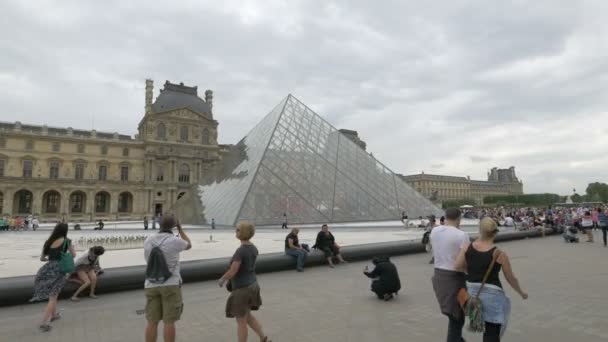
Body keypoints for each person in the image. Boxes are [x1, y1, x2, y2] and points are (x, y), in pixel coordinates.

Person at [454, 217, 528, 341]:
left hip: (473, 294)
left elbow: (457, 266)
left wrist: (471, 271)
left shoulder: (467, 247)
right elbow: (511, 278)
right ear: (495, 232)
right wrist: (521, 293)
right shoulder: (499, 253)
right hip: (493, 295)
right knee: (492, 329)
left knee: (483, 324)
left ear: (480, 230)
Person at [218, 222, 272, 342]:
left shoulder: (240, 251)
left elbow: (233, 271)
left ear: (243, 232)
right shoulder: (253, 248)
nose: (235, 231)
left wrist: (222, 279)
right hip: (253, 285)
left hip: (242, 290)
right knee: (248, 317)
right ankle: (264, 338)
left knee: (241, 321)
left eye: (237, 230)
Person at [143, 215, 192, 342]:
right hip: (171, 284)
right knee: (169, 322)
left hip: (151, 283)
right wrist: (180, 229)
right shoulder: (175, 241)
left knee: (152, 322)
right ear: (173, 226)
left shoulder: (148, 239)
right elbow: (189, 244)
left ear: (159, 225)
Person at [430, 208, 469, 342]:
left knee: (453, 316)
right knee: (457, 318)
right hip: (455, 278)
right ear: (459, 218)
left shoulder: (434, 231)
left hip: (438, 277)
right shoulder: (462, 235)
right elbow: (462, 262)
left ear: (445, 217)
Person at [31, 222, 76, 332]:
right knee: (53, 296)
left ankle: (54, 315)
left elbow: (42, 258)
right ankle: (45, 323)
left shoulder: (48, 241)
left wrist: (51, 260)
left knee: (53, 295)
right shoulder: (67, 241)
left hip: (47, 269)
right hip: (59, 270)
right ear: (65, 231)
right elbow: (73, 254)